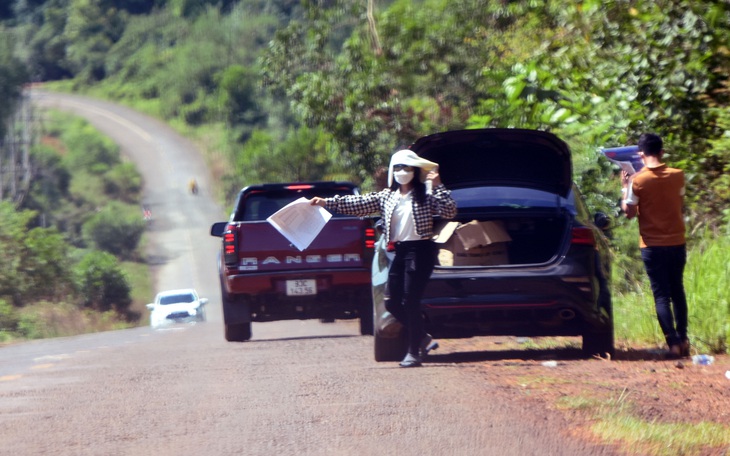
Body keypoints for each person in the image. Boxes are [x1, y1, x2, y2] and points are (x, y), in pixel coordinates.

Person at [311, 149, 457, 367]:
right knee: (391, 302)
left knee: (410, 301)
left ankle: (413, 352)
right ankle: (423, 337)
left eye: (406, 168)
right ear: (392, 171)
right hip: (399, 251)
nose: (402, 172)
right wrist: (326, 202)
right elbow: (357, 203)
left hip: (420, 250)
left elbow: (449, 211)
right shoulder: (387, 196)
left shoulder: (426, 194)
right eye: (397, 168)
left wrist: (438, 185)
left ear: (415, 171)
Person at [620, 133, 689, 358]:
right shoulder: (678, 176)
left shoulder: (637, 181)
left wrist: (624, 187)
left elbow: (629, 213)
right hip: (677, 242)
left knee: (661, 295)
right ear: (662, 152)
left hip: (651, 245)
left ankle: (673, 343)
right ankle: (684, 338)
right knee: (677, 290)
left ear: (641, 154)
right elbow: (678, 203)